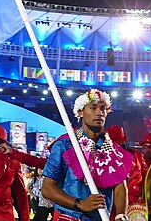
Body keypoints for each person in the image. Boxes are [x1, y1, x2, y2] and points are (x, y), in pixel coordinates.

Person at [42, 88, 133, 221]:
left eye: (103, 108)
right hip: (67, 217)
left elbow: (120, 185)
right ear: (81, 112)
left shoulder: (113, 149)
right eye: (93, 108)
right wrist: (80, 204)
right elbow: (47, 189)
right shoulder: (65, 144)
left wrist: (120, 215)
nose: (99, 113)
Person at [107, 125, 148, 220]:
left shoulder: (137, 155)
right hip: (114, 203)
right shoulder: (105, 159)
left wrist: (144, 199)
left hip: (135, 203)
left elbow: (146, 178)